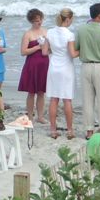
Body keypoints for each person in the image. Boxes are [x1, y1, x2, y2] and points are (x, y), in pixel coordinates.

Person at [75, 3, 100, 139]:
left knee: (87, 101)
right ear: (99, 16)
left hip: (85, 66)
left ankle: (89, 131)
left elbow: (77, 47)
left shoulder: (81, 30)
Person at [43, 8, 79, 139]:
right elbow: (72, 54)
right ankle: (69, 130)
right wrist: (82, 50)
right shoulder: (69, 34)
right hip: (66, 69)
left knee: (54, 99)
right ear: (68, 19)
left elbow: (44, 52)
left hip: (53, 67)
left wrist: (54, 52)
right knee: (67, 99)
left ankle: (53, 130)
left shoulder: (50, 32)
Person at [17, 8, 50, 123]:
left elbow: (50, 49)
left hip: (44, 63)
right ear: (31, 21)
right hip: (32, 64)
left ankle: (40, 116)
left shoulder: (45, 32)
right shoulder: (28, 34)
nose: (39, 22)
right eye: (36, 20)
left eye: (40, 19)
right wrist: (37, 47)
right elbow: (23, 52)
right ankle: (30, 116)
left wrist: (47, 48)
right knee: (31, 92)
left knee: (41, 92)